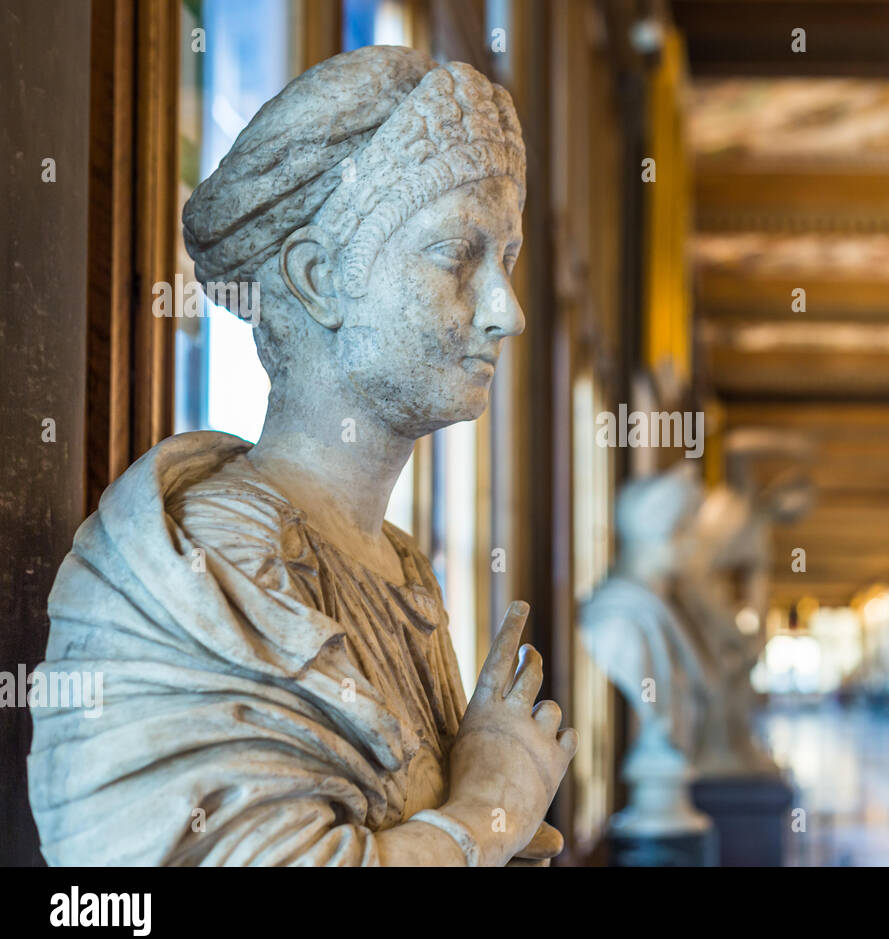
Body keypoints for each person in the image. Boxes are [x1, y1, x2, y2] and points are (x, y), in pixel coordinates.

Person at [28, 47, 575, 866]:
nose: (508, 311)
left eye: (509, 260)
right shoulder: (207, 571)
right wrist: (489, 813)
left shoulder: (396, 571)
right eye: (459, 255)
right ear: (318, 279)